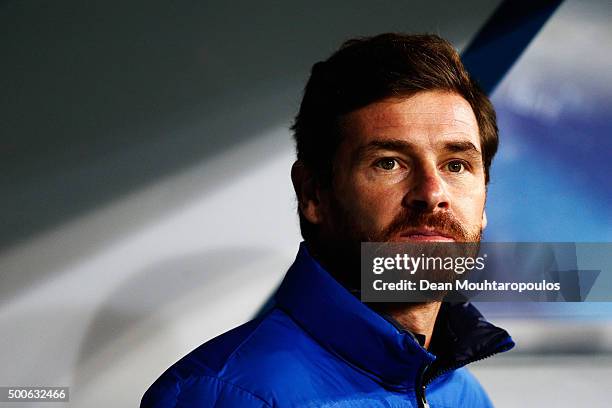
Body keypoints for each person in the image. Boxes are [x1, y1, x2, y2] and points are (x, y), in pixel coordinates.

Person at [141, 33, 514, 408]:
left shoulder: (465, 396)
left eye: (456, 165)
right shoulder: (219, 395)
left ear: (483, 202)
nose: (433, 194)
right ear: (313, 194)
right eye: (388, 162)